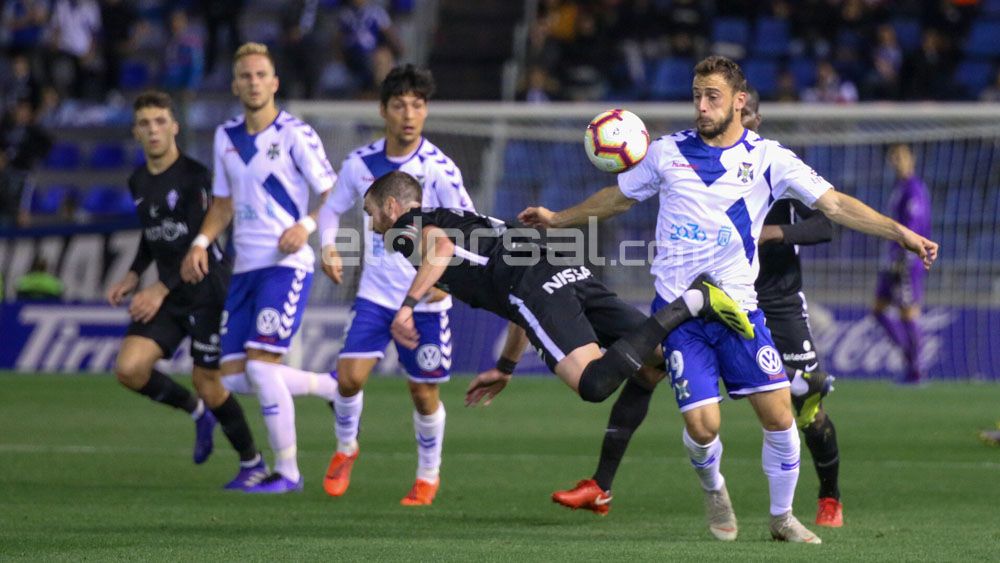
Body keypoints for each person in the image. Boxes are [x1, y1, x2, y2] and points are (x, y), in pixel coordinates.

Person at [518, 56, 937, 543]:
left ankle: (782, 518)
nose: (701, 106)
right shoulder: (665, 152)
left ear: (739, 101)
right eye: (696, 95)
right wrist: (558, 218)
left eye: (711, 96)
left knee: (780, 415)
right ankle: (714, 488)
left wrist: (901, 232)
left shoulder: (769, 158)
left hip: (739, 311)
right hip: (678, 316)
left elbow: (835, 205)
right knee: (702, 425)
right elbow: (617, 198)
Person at [550, 86, 845, 529]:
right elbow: (628, 197)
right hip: (703, 301)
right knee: (647, 372)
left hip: (775, 301)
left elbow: (827, 222)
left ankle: (828, 495)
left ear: (751, 119)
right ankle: (602, 482)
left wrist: (773, 234)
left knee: (801, 410)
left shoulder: (777, 171)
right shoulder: (694, 163)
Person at [367, 170, 754, 420]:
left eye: (371, 213)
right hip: (561, 267)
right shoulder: (455, 217)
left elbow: (441, 250)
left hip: (532, 282)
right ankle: (781, 370)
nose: (370, 225)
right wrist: (505, 366)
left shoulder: (404, 229)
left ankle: (691, 301)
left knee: (593, 384)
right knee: (660, 355)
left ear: (391, 206)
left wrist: (407, 307)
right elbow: (518, 307)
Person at [181, 42, 337, 494]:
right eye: (245, 75)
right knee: (232, 376)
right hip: (243, 268)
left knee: (263, 369)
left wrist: (306, 226)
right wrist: (201, 241)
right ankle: (326, 386)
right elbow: (224, 203)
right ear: (235, 85)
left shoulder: (295, 134)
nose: (253, 82)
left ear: (274, 83)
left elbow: (333, 192)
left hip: (285, 264)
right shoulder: (225, 137)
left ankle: (287, 472)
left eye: (260, 74)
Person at [316, 65, 476, 506]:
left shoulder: (439, 170)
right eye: (400, 104)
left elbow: (467, 228)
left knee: (423, 393)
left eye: (418, 104)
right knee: (348, 379)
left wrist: (442, 282)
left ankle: (428, 475)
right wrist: (328, 246)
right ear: (383, 110)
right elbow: (330, 211)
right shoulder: (360, 164)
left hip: (425, 301)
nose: (410, 113)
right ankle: (346, 448)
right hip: (376, 294)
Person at [105, 90, 264, 489]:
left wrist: (159, 288)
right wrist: (134, 274)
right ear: (136, 132)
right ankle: (196, 412)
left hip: (206, 289)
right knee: (129, 369)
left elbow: (201, 243)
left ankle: (253, 463)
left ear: (174, 127)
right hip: (168, 291)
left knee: (208, 381)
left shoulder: (195, 177)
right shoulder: (138, 180)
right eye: (145, 124)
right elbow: (154, 234)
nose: (153, 130)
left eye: (161, 121)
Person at [872, 144, 931, 385]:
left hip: (906, 260)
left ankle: (915, 370)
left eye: (902, 156)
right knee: (878, 310)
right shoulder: (899, 187)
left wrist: (904, 257)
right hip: (892, 259)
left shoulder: (914, 189)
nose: (898, 161)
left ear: (912, 159)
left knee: (908, 314)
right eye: (894, 157)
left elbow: (914, 226)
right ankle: (909, 359)